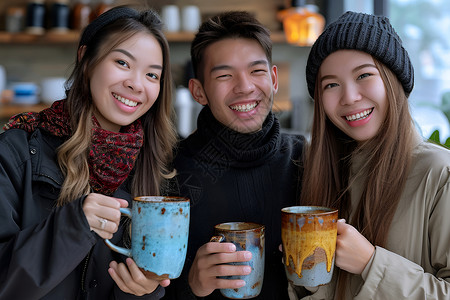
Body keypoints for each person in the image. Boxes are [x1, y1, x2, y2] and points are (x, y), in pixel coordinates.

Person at [0, 6, 177, 299]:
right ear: (86, 59)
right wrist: (72, 227)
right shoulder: (15, 153)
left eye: (152, 75)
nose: (136, 83)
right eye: (122, 62)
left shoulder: (155, 166)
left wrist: (145, 290)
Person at [291, 11, 450, 300]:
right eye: (331, 85)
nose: (349, 97)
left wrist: (371, 263)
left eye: (364, 75)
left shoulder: (439, 173)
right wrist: (306, 276)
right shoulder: (321, 171)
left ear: (394, 80)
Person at [163, 11, 305, 300]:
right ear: (198, 91)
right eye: (225, 75)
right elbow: (148, 285)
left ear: (274, 79)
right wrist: (192, 285)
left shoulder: (307, 160)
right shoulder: (170, 171)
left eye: (257, 71)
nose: (245, 87)